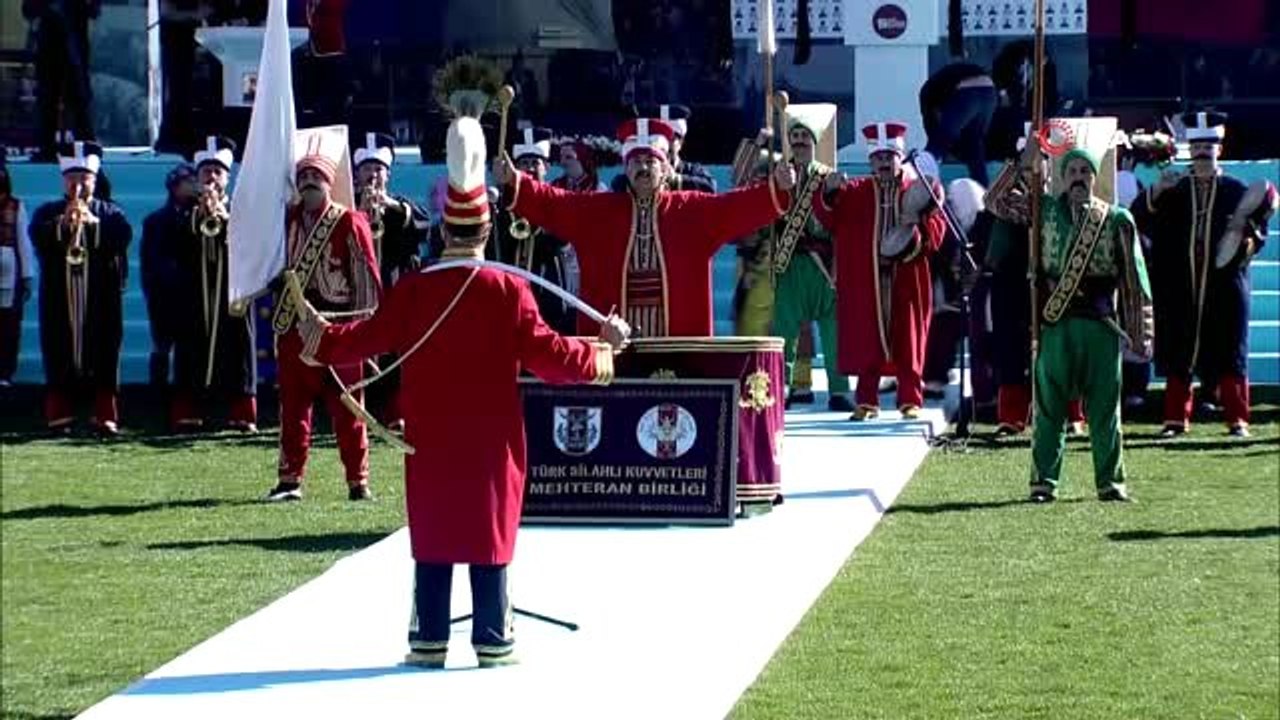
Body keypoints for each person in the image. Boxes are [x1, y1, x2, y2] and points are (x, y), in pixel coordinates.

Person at [295, 108, 630, 669]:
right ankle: (492, 635)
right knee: (488, 530)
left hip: (430, 434)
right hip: (492, 439)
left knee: (435, 529)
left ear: (445, 229)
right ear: (485, 230)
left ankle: (428, 636)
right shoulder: (507, 291)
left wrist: (321, 337)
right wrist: (603, 349)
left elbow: (366, 337)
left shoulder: (417, 290)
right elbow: (551, 358)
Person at [492, 117, 795, 338]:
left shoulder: (692, 209)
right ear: (625, 168)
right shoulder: (598, 211)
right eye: (636, 161)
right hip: (612, 344)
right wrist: (513, 181)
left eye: (652, 161)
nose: (644, 167)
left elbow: (737, 206)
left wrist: (777, 188)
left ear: (666, 169)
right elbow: (552, 202)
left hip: (677, 345)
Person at [988, 143, 1153, 503]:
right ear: (1063, 178)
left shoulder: (1116, 219)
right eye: (1073, 172)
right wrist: (1022, 161)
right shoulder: (1042, 208)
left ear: (1095, 178)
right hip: (1055, 322)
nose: (1079, 179)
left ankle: (1110, 483)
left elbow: (1133, 281)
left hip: (1101, 326)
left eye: (1085, 173)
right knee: (1049, 408)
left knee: (1105, 408)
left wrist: (1141, 333)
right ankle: (1043, 483)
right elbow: (995, 201)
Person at [1131, 111, 1277, 438]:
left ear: (1218, 151)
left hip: (1226, 283)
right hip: (1181, 284)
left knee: (1230, 349)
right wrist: (1154, 193)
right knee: (1180, 349)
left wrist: (1245, 241)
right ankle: (1174, 419)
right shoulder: (1174, 189)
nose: (1201, 157)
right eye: (1196, 151)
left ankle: (1237, 419)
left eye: (1207, 151)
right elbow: (1138, 218)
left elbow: (1256, 229)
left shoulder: (1236, 189)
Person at [267, 137, 382, 502]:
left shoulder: (349, 220)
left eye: (316, 176)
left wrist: (363, 333)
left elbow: (366, 277)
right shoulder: (286, 220)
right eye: (304, 175)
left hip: (338, 328)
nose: (309, 182)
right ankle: (290, 481)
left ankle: (357, 481)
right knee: (293, 407)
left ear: (329, 182)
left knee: (348, 406)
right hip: (294, 326)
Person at [815, 122, 947, 420]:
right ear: (870, 161)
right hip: (867, 280)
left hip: (908, 276)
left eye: (890, 157)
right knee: (868, 338)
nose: (884, 163)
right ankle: (866, 400)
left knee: (909, 339)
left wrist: (916, 236)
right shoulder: (856, 191)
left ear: (900, 158)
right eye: (879, 158)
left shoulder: (917, 189)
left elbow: (938, 231)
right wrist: (829, 191)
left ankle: (910, 399)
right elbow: (827, 217)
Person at [984, 125, 1087, 436]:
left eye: (1041, 160)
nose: (1036, 166)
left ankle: (1071, 415)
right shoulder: (1017, 201)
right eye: (1032, 160)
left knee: (1061, 349)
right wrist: (1022, 159)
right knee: (1011, 349)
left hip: (1055, 282)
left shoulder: (1062, 200)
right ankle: (1012, 417)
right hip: (1013, 282)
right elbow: (993, 199)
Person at [28, 140, 132, 434]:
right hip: (59, 297)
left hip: (102, 298)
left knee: (105, 351)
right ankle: (59, 413)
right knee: (58, 348)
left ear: (94, 181)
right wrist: (65, 223)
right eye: (71, 179)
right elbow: (39, 237)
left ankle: (104, 414)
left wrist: (92, 223)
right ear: (63, 181)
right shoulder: (48, 211)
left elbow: (122, 237)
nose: (77, 186)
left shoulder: (111, 212)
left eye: (83, 179)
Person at [173, 136, 258, 432]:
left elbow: (252, 249)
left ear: (227, 177)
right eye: (206, 172)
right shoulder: (183, 214)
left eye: (217, 172)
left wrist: (226, 220)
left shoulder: (242, 212)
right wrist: (199, 217)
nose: (211, 177)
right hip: (194, 295)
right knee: (190, 347)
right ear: (197, 178)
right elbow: (178, 248)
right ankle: (188, 408)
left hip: (233, 293)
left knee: (238, 348)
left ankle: (242, 411)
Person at [769, 105, 851, 411]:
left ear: (814, 142)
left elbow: (841, 220)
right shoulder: (777, 175)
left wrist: (833, 193)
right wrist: (776, 186)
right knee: (784, 332)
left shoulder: (828, 177)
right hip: (790, 264)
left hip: (824, 267)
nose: (801, 140)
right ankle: (780, 389)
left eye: (805, 136)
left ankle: (839, 390)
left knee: (833, 332)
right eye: (795, 136)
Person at [353, 131, 430, 431]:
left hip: (395, 289)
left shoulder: (402, 205)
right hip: (361, 292)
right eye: (367, 170)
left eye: (378, 170)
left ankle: (395, 409)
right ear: (357, 175)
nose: (373, 176)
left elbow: (424, 227)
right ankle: (360, 406)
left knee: (399, 351)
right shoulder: (348, 207)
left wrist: (390, 206)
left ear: (388, 175)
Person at [490, 127, 577, 335]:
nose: (529, 169)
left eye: (535, 163)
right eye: (523, 164)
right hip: (508, 296)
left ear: (546, 167)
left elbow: (561, 239)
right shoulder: (503, 203)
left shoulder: (558, 200)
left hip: (548, 291)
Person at [140, 163, 197, 389]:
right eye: (188, 182)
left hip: (192, 292)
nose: (194, 186)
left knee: (190, 346)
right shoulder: (155, 221)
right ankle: (158, 391)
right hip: (164, 294)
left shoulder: (200, 216)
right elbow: (149, 261)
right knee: (162, 345)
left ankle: (189, 393)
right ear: (174, 187)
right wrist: (154, 289)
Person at [22, 1, 99, 162]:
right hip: (50, 44)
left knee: (77, 96)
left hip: (74, 42)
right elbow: (29, 9)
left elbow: (93, 10)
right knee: (49, 98)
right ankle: (49, 147)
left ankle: (85, 145)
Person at [916, 61, 998, 185]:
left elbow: (932, 127)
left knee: (938, 143)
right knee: (974, 146)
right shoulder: (940, 88)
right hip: (989, 91)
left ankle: (920, 183)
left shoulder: (928, 96)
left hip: (966, 92)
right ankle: (984, 194)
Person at [610, 105, 717, 194]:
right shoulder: (634, 173)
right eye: (660, 138)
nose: (666, 144)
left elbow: (710, 188)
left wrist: (674, 179)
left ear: (681, 142)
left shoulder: (693, 171)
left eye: (671, 139)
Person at [0, 159, 36, 386]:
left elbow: (23, 241)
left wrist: (27, 276)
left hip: (9, 272)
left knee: (9, 325)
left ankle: (4, 372)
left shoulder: (15, 206)